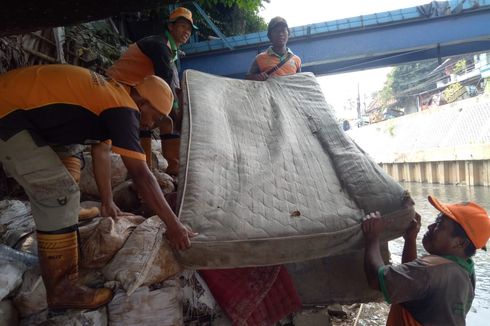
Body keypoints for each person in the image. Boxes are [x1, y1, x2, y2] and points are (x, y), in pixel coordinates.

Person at [0, 64, 196, 311]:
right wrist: (174, 225)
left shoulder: (112, 98)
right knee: (60, 193)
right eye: (155, 117)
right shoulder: (123, 108)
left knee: (66, 175)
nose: (153, 125)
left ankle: (61, 252)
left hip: (14, 108)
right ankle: (62, 290)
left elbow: (101, 151)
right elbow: (140, 174)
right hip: (7, 114)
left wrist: (107, 202)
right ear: (142, 101)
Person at [362, 195, 490, 325]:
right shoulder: (467, 270)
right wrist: (410, 239)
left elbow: (376, 279)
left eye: (439, 225)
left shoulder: (433, 270)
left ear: (460, 243)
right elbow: (413, 282)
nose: (430, 226)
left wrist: (372, 237)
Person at [107, 7, 198, 175]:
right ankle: (165, 168)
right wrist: (177, 116)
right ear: (171, 26)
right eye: (183, 26)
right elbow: (166, 84)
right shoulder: (160, 46)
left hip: (130, 87)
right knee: (165, 118)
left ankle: (152, 167)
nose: (187, 31)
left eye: (190, 29)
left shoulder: (169, 49)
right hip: (119, 87)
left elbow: (169, 85)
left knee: (153, 118)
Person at [246, 16, 301, 81]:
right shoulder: (259, 58)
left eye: (283, 30)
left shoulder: (297, 60)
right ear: (270, 36)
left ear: (288, 33)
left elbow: (299, 82)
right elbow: (248, 79)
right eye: (276, 31)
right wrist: (257, 77)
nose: (280, 34)